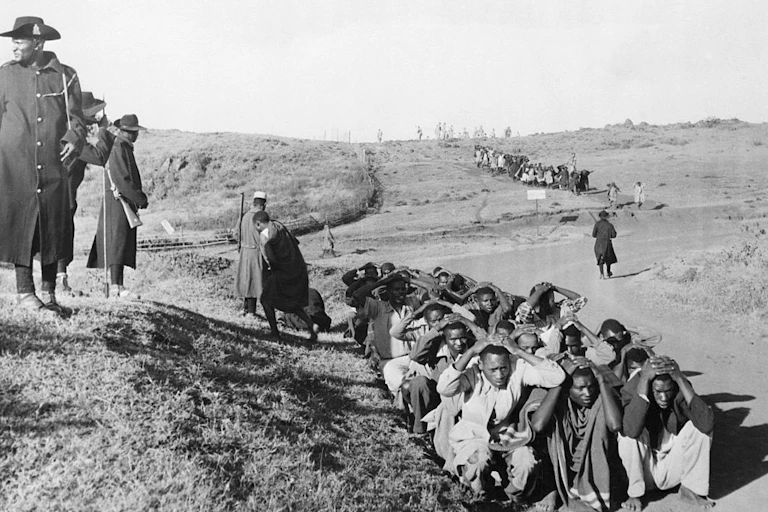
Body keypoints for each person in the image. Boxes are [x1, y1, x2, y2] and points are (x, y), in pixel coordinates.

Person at [0, 16, 86, 315]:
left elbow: (77, 119)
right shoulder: (5, 75)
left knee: (52, 224)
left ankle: (49, 293)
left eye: (19, 40)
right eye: (13, 40)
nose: (13, 46)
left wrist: (75, 138)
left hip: (52, 164)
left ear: (38, 42)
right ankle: (25, 292)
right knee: (20, 225)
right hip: (15, 165)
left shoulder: (65, 76)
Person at [437, 339, 566, 502]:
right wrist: (470, 352)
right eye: (493, 370)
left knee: (527, 463)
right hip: (474, 437)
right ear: (482, 365)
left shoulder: (517, 368)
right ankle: (480, 496)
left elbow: (557, 377)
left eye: (503, 368)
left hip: (508, 437)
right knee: (477, 462)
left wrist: (519, 351)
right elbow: (444, 388)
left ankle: (513, 496)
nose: (499, 375)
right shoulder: (473, 372)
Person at [619, 356, 715, 511]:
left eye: (668, 391)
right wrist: (644, 381)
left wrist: (680, 378)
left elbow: (707, 423)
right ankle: (635, 494)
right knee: (627, 436)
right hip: (645, 471)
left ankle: (690, 490)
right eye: (658, 392)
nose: (664, 398)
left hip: (674, 467)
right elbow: (631, 430)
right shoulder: (635, 387)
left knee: (700, 429)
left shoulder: (679, 390)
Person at [532, 358, 623, 512]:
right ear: (567, 389)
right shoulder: (558, 400)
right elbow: (538, 425)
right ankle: (551, 489)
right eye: (580, 388)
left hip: (596, 466)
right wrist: (560, 382)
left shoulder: (601, 398)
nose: (587, 393)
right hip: (562, 465)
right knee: (545, 435)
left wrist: (601, 381)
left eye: (591, 386)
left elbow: (615, 425)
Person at [86, 114, 149, 298]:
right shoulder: (118, 147)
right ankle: (116, 287)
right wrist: (139, 198)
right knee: (117, 243)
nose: (135, 135)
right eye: (132, 132)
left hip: (120, 201)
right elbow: (122, 179)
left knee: (120, 243)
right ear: (125, 132)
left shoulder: (122, 146)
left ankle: (118, 286)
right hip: (117, 201)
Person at [56, 92, 107, 296]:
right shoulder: (76, 141)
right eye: (93, 117)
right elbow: (100, 156)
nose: (95, 120)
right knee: (61, 236)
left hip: (65, 198)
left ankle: (59, 281)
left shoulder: (72, 136)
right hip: (63, 199)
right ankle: (60, 283)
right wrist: (104, 130)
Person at [351, 271, 422, 404]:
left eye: (403, 289)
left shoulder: (412, 304)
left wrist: (409, 280)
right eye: (396, 289)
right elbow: (357, 295)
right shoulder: (378, 308)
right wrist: (383, 281)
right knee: (403, 391)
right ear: (387, 292)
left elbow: (435, 291)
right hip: (390, 362)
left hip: (414, 358)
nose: (400, 293)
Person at [253, 210, 317, 342]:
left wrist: (273, 270)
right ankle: (311, 325)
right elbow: (295, 242)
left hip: (282, 272)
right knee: (290, 301)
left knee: (265, 300)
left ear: (258, 223)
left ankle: (275, 333)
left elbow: (271, 258)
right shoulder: (279, 226)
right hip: (297, 269)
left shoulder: (265, 236)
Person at [235, 191, 268, 316]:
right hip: (256, 252)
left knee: (246, 280)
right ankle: (251, 312)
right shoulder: (262, 217)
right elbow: (266, 239)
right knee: (255, 282)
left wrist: (242, 242)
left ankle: (246, 309)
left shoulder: (244, 216)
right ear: (263, 205)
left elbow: (235, 234)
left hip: (245, 252)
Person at [592, 211, 617, 279]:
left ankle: (601, 274)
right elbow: (613, 235)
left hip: (599, 243)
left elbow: (593, 235)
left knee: (600, 258)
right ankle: (608, 272)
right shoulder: (610, 225)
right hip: (607, 243)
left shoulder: (597, 224)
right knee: (608, 258)